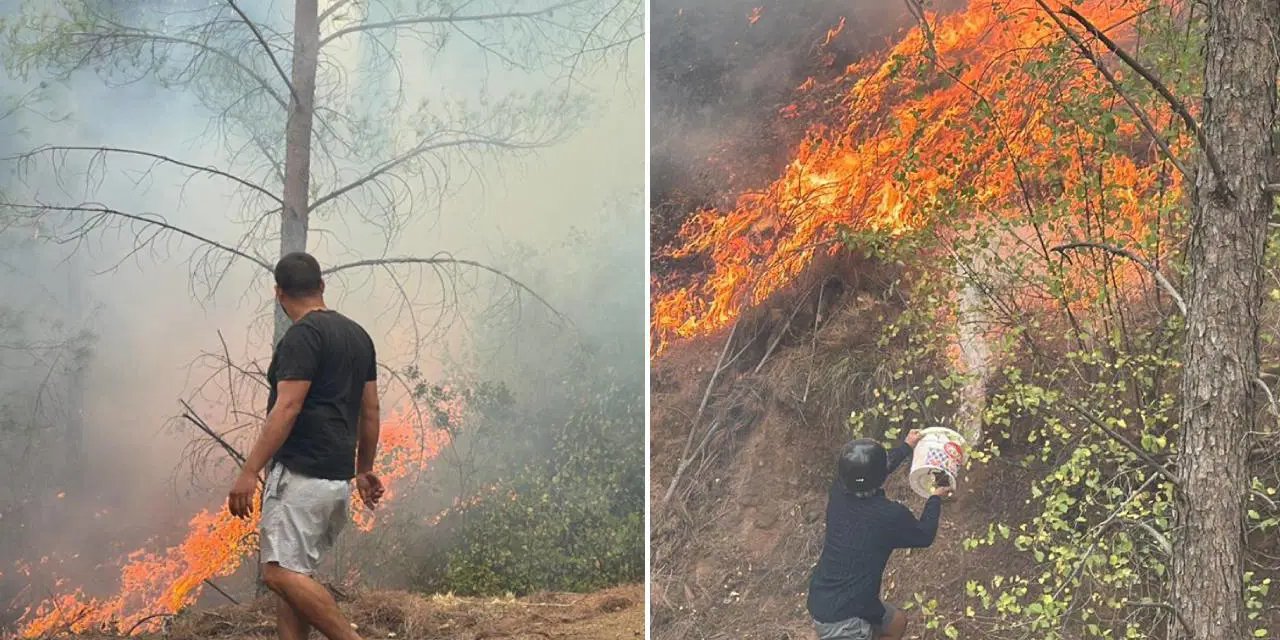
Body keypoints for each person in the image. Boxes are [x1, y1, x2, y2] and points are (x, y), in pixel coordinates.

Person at [227, 251, 384, 640]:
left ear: (279, 293)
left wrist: (249, 471)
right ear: (322, 285)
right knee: (293, 579)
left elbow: (289, 406)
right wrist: (363, 469)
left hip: (301, 477)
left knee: (277, 574)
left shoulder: (302, 336)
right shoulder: (357, 336)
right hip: (335, 481)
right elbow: (370, 411)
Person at [807, 430, 954, 640]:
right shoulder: (888, 516)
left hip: (830, 597)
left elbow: (870, 472)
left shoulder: (839, 490)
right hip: (844, 620)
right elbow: (924, 535)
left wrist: (906, 447)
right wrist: (934, 498)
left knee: (896, 623)